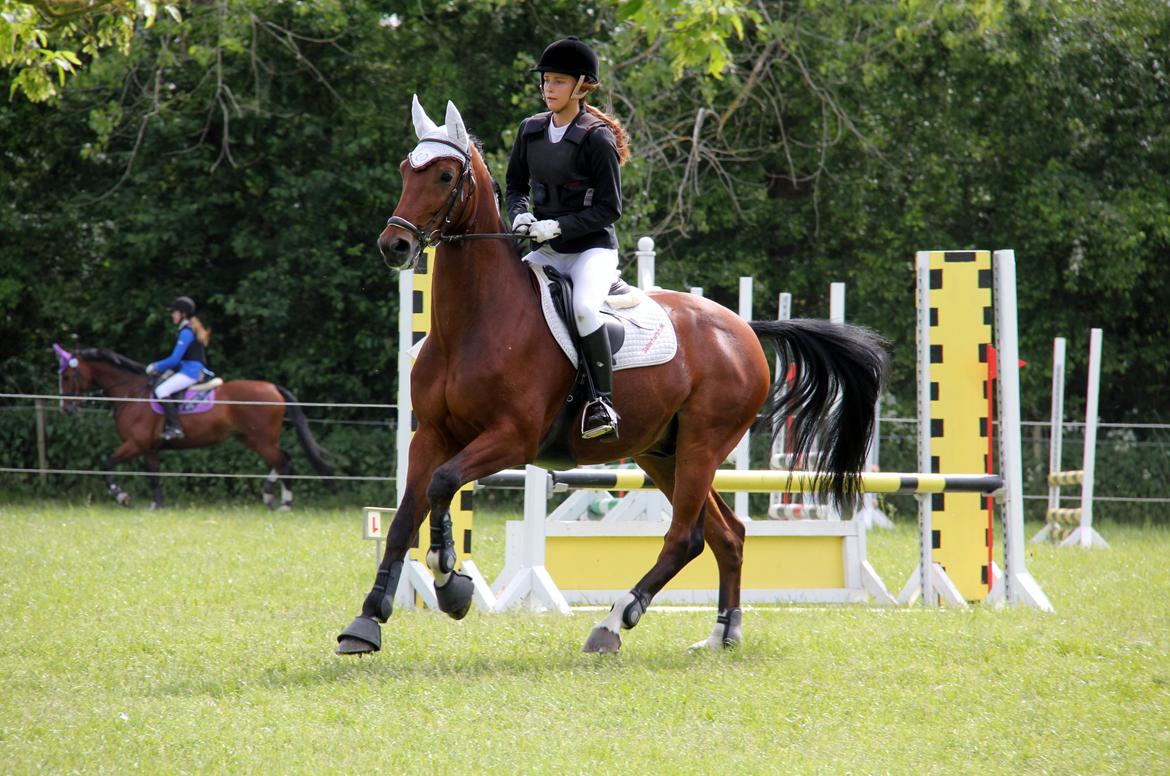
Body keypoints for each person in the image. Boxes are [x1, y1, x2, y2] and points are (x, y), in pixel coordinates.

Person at [505, 36, 630, 440]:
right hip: (545, 249)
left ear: (581, 86)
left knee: (582, 311)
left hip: (590, 250)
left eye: (558, 82)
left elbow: (610, 208)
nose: (548, 89)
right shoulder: (530, 130)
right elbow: (514, 186)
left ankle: (602, 404)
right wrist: (520, 215)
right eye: (545, 81)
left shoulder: (597, 138)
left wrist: (559, 226)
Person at [145, 296, 212, 440]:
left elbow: (175, 359)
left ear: (183, 314)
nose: (172, 315)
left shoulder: (186, 332)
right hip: (188, 369)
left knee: (161, 390)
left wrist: (155, 366)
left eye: (174, 312)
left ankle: (175, 427)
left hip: (190, 372)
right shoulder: (189, 329)